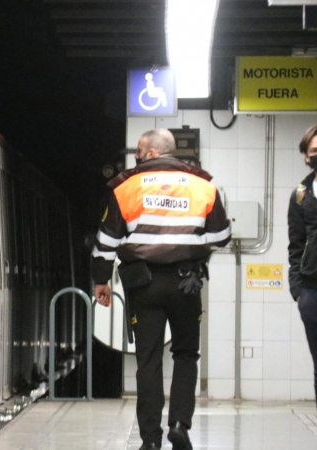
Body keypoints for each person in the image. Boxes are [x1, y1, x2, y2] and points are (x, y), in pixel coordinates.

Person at [91, 128, 231, 450]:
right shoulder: (203, 186)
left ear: (152, 153)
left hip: (144, 284)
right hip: (187, 283)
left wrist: (101, 280)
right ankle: (180, 425)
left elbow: (105, 243)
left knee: (148, 361)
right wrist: (191, 245)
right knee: (185, 354)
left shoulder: (126, 188)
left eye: (139, 151)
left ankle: (150, 441)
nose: (136, 157)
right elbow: (221, 237)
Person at [288, 124, 317, 409]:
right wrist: (297, 289)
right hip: (312, 290)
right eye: (315, 151)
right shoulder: (300, 194)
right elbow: (295, 244)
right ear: (306, 156)